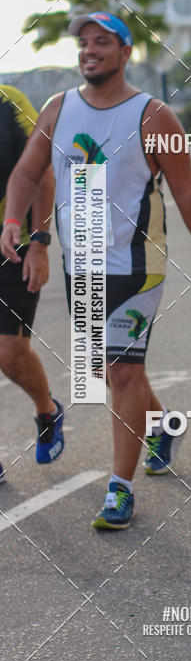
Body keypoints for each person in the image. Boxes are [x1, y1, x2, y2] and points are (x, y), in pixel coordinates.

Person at [0, 12, 191, 527]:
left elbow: (187, 193)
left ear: (126, 52)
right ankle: (163, 423)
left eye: (102, 42)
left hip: (136, 265)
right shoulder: (58, 109)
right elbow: (25, 172)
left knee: (123, 370)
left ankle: (119, 489)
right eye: (83, 42)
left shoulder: (154, 117)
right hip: (81, 265)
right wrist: (18, 222)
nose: (89, 50)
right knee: (108, 371)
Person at [0, 84, 64, 485]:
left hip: (12, 243)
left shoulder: (8, 102)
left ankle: (47, 410)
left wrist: (39, 242)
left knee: (8, 351)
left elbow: (41, 171)